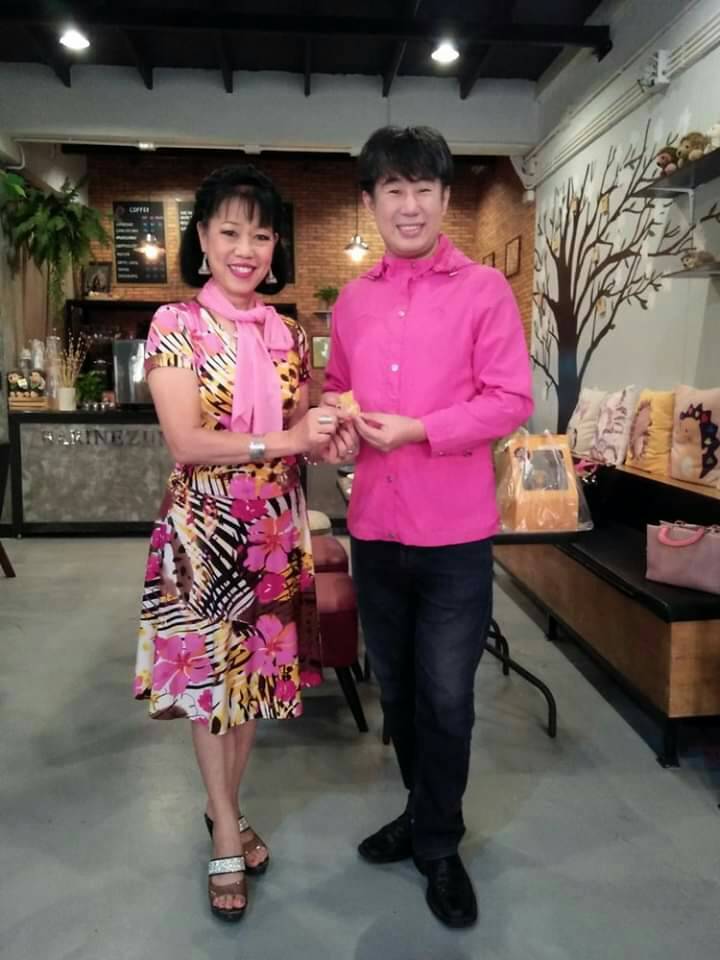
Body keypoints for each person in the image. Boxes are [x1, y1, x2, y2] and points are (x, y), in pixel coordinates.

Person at [323, 126, 534, 928]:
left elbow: (511, 400)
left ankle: (439, 845)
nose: (408, 205)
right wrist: (337, 425)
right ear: (371, 201)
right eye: (393, 189)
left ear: (445, 198)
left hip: (454, 538)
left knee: (447, 698)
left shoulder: (484, 291)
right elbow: (337, 387)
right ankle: (420, 812)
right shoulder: (354, 300)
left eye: (423, 189)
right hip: (376, 532)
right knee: (401, 695)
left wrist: (420, 429)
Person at [133, 165, 346, 922]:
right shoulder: (175, 325)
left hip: (273, 533)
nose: (246, 248)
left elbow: (302, 428)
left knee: (249, 683)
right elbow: (186, 441)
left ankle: (222, 805)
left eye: (260, 234)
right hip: (203, 532)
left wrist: (332, 436)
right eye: (229, 231)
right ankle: (226, 825)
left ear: (275, 244)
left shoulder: (288, 333)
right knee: (208, 690)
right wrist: (287, 438)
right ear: (202, 238)